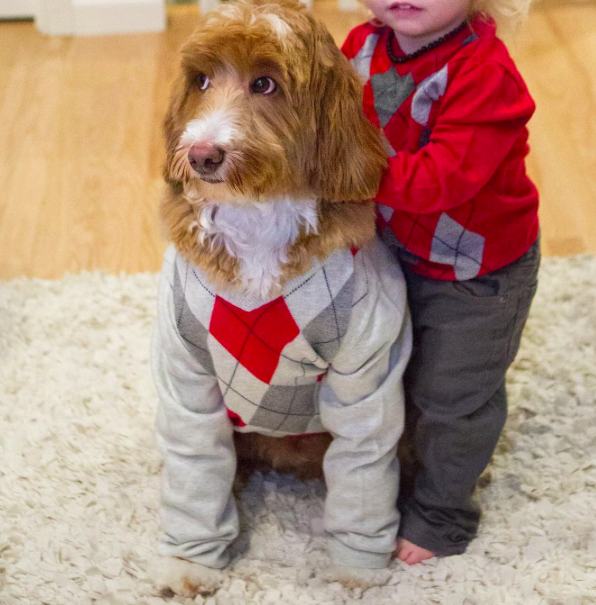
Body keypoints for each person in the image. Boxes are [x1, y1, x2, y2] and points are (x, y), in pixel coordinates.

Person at [341, 0, 540, 565]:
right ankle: (393, 473)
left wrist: (336, 168)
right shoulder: (360, 46)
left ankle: (442, 514)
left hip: (477, 274)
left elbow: (439, 179)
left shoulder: (486, 73)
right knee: (391, 372)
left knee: (452, 399)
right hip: (394, 247)